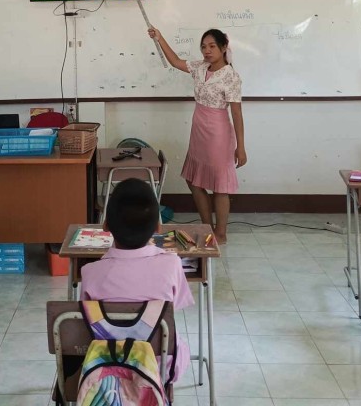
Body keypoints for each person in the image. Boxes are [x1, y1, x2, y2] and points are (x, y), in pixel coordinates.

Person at [80, 179, 194, 382]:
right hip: (157, 370)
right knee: (178, 342)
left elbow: (86, 319)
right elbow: (172, 309)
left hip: (106, 370)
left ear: (105, 226)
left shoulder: (90, 273)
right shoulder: (172, 265)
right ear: (158, 227)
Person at [147, 27, 246, 243]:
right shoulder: (200, 67)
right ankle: (207, 226)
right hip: (199, 130)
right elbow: (175, 62)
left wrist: (241, 147)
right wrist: (160, 37)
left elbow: (237, 114)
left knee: (220, 186)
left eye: (212, 46)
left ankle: (221, 233)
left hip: (218, 133)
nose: (207, 51)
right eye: (203, 47)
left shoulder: (231, 77)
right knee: (193, 181)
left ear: (223, 47)